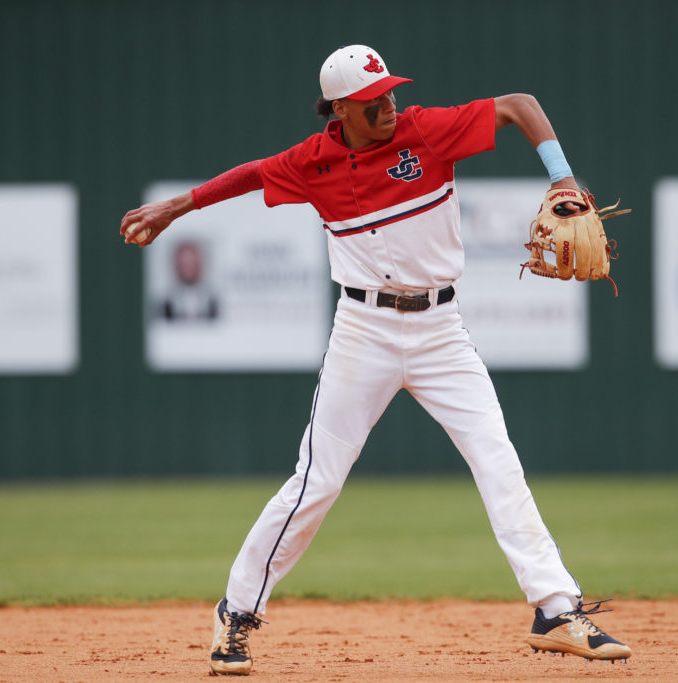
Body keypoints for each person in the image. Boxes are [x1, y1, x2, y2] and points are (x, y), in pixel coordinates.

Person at [121, 44, 631, 677]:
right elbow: (253, 174)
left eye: (389, 91)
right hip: (364, 330)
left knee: (497, 459)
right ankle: (238, 612)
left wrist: (560, 176)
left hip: (442, 330)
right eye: (372, 100)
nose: (387, 104)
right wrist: (179, 206)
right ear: (339, 109)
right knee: (317, 481)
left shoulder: (425, 129)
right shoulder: (312, 162)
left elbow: (519, 106)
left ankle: (556, 610)